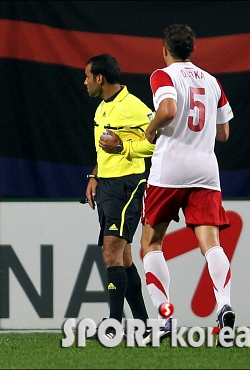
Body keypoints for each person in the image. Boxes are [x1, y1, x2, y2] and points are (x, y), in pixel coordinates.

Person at [140, 24, 235, 347]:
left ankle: (165, 317)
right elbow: (223, 134)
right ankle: (224, 304)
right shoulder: (211, 81)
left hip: (169, 171)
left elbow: (168, 109)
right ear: (192, 50)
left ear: (165, 49)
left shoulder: (163, 75)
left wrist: (151, 130)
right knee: (212, 244)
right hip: (206, 171)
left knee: (151, 243)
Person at [83, 54, 155, 340]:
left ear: (100, 78)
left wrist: (123, 146)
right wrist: (94, 175)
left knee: (110, 252)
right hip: (108, 186)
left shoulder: (134, 107)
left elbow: (158, 142)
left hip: (129, 185)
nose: (85, 81)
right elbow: (105, 149)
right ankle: (144, 326)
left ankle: (114, 326)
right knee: (123, 258)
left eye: (87, 75)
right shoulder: (102, 109)